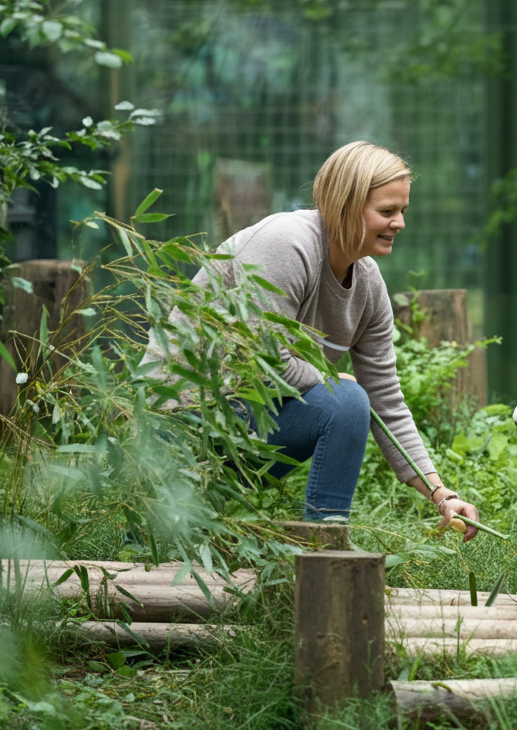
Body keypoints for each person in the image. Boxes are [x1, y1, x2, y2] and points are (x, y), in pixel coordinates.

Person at [144, 141, 481, 538]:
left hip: (248, 425)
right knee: (347, 397)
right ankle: (156, 517)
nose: (400, 223)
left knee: (350, 401)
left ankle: (325, 548)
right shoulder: (285, 244)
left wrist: (441, 494)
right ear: (345, 205)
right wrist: (330, 380)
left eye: (402, 211)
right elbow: (262, 364)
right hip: (180, 425)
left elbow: (386, 399)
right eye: (387, 211)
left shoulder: (368, 284)